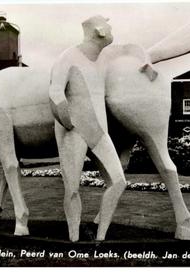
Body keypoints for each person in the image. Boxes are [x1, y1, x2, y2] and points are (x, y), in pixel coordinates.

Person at [49, 15, 127, 242]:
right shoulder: (68, 57)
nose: (112, 30)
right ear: (99, 30)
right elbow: (55, 92)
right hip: (74, 131)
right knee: (72, 188)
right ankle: (73, 237)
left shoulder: (102, 60)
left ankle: (100, 236)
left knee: (118, 181)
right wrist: (67, 121)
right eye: (109, 27)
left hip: (99, 132)